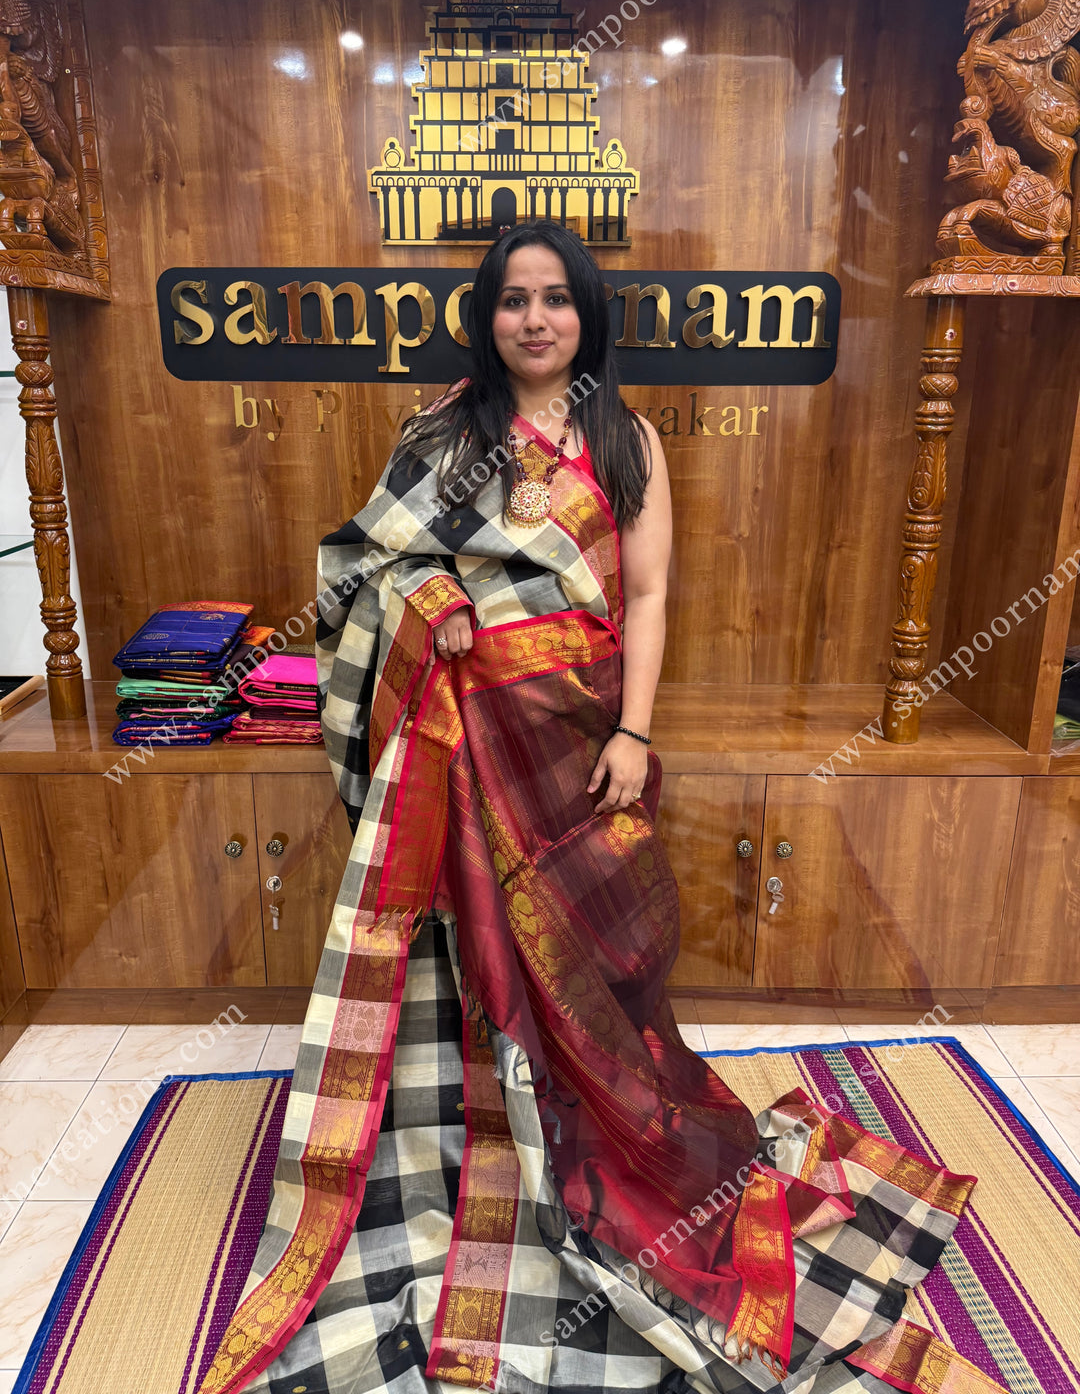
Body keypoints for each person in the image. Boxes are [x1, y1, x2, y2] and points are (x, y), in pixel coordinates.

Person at [196, 222, 1001, 1394]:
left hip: (580, 740)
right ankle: (471, 1142)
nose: (535, 319)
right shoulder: (442, 433)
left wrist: (634, 731)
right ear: (487, 316)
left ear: (587, 314)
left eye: (556, 298)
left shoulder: (626, 439)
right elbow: (362, 571)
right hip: (465, 745)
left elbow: (653, 592)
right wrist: (430, 600)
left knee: (597, 968)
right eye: (513, 299)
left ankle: (604, 1140)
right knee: (470, 953)